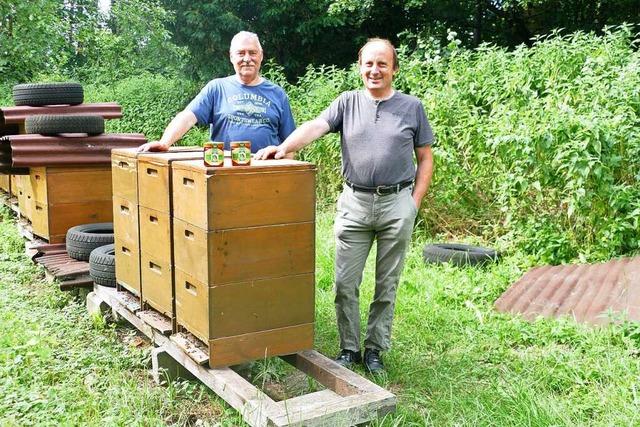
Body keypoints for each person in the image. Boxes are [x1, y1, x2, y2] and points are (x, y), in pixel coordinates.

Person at [255, 38, 434, 374]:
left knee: (387, 283)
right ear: (360, 67)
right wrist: (281, 148)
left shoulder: (412, 107)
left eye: (382, 64)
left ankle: (375, 350)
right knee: (344, 283)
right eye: (368, 63)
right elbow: (315, 128)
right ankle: (349, 348)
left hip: (397, 203)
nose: (374, 70)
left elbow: (425, 159)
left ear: (394, 69)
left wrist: (413, 204)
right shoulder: (347, 102)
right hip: (354, 203)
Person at [137, 31, 295, 154]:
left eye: (252, 53)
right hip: (224, 171)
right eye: (241, 53)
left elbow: (289, 143)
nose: (247, 58)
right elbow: (188, 117)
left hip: (268, 171)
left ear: (261, 56)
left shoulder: (277, 94)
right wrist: (165, 142)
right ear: (231, 57)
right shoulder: (217, 88)